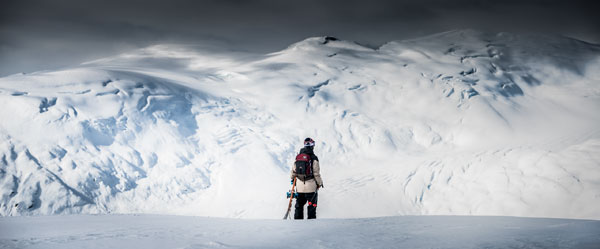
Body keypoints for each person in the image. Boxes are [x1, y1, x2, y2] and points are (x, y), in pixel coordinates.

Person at [291, 137, 324, 219]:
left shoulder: (298, 157)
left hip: (299, 187)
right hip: (311, 187)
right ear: (312, 146)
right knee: (312, 206)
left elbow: (293, 172)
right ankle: (311, 225)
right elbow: (316, 174)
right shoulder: (314, 158)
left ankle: (297, 225)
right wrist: (320, 183)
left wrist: (293, 180)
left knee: (299, 206)